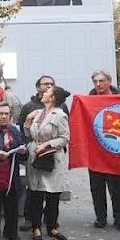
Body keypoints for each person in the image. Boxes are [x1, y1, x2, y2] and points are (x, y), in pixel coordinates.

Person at [18, 75, 69, 231]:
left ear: (52, 98)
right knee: (35, 194)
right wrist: (27, 121)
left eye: (49, 90)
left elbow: (65, 138)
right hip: (36, 156)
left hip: (52, 157)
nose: (45, 91)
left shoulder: (60, 115)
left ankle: (52, 227)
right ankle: (36, 228)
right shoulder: (38, 113)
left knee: (53, 195)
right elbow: (28, 134)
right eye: (44, 87)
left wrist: (47, 144)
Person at [88, 70, 120, 231]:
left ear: (109, 81)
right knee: (97, 187)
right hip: (96, 152)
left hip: (118, 151)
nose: (98, 84)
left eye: (102, 81)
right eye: (95, 81)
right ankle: (101, 217)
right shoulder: (88, 101)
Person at [0, 102, 27, 240]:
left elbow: (22, 150)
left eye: (6, 114)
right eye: (0, 114)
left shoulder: (14, 130)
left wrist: (22, 151)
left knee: (12, 203)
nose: (3, 117)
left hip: (11, 173)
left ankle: (11, 232)